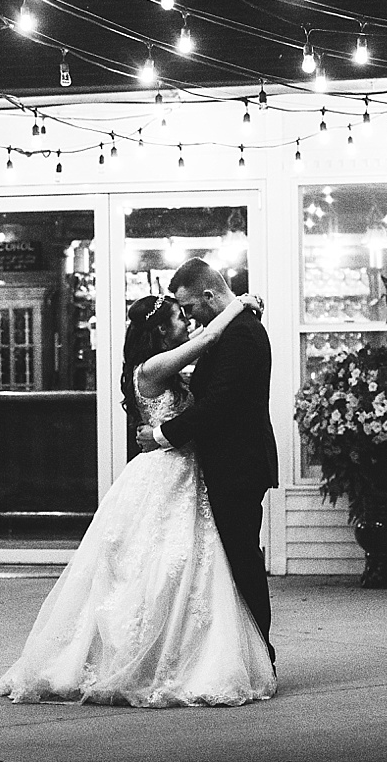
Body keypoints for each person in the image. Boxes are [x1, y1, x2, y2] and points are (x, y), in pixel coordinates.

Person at [0, 290, 276, 708]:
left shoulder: (169, 362)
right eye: (181, 317)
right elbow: (209, 341)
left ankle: (183, 655)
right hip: (165, 471)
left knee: (185, 566)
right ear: (161, 329)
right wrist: (238, 304)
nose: (188, 322)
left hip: (187, 471)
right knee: (158, 565)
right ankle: (148, 661)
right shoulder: (153, 368)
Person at [136, 257, 280, 668]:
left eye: (190, 306)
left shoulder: (243, 334)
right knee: (225, 564)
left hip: (238, 466)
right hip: (222, 465)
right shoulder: (229, 330)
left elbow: (218, 406)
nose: (188, 316)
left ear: (209, 295)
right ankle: (229, 654)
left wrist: (161, 436)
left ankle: (259, 654)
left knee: (242, 561)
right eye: (179, 313)